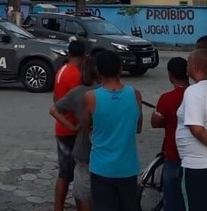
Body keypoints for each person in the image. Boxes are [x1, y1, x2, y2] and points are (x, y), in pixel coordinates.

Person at [82, 50, 143, 211]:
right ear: (120, 68)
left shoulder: (91, 97)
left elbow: (85, 126)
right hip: (127, 167)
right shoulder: (134, 94)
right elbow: (138, 127)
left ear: (98, 70)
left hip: (101, 167)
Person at [50, 56, 100, 211]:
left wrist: (72, 126)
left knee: (78, 187)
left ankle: (58, 207)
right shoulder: (102, 92)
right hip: (100, 147)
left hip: (79, 142)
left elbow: (54, 107)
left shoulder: (74, 88)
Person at [176, 49, 207, 211]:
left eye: (188, 62)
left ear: (195, 66)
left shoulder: (193, 92)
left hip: (197, 166)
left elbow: (196, 128)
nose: (186, 66)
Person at [151, 57, 190, 211]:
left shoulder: (167, 98)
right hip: (193, 156)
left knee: (172, 198)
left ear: (170, 75)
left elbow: (156, 123)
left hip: (173, 153)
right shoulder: (196, 93)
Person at [52, 39, 86, 211]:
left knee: (65, 172)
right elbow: (78, 101)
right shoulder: (75, 75)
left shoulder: (61, 70)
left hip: (61, 127)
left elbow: (56, 100)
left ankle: (59, 205)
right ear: (83, 56)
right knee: (71, 174)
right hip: (70, 129)